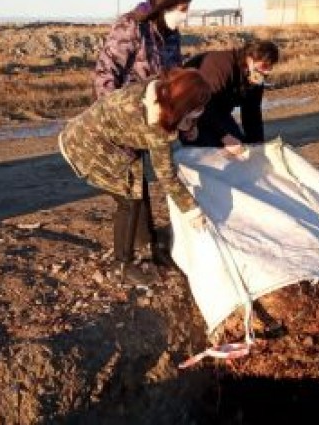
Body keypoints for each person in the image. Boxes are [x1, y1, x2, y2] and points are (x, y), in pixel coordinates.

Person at [59, 68, 211, 277]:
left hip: (104, 136)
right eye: (194, 110)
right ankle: (122, 264)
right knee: (128, 201)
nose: (199, 113)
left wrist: (189, 124)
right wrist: (192, 210)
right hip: (90, 146)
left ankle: (148, 244)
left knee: (139, 187)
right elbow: (166, 176)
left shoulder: (161, 89)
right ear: (183, 104)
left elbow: (177, 118)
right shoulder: (156, 123)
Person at [94, 0, 192, 99]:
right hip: (129, 108)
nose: (185, 16)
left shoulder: (172, 34)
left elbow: (174, 72)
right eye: (182, 9)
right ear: (167, 5)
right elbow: (107, 71)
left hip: (160, 109)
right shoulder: (131, 25)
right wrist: (111, 111)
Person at [180, 40, 280, 157]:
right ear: (249, 59)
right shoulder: (221, 65)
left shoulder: (256, 77)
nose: (267, 71)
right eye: (264, 66)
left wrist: (257, 146)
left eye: (270, 67)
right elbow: (205, 103)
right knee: (211, 150)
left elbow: (252, 112)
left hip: (219, 111)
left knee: (240, 147)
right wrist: (224, 135)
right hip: (190, 109)